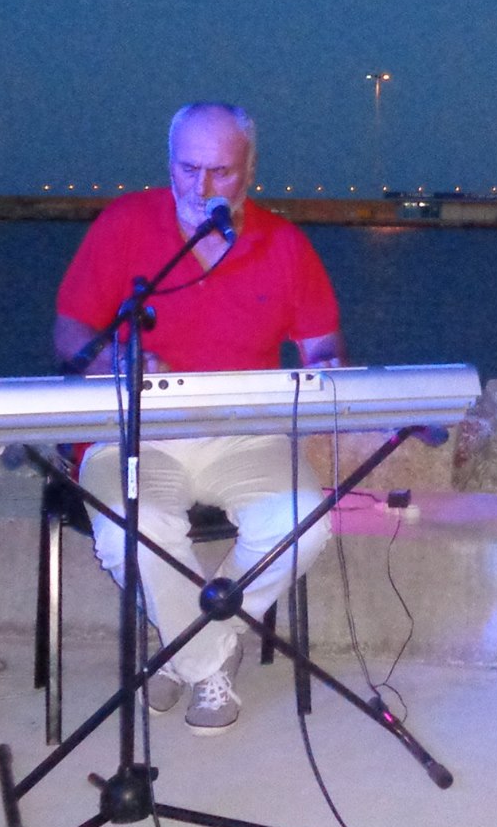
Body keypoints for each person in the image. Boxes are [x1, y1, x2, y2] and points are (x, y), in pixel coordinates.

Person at [53, 102, 345, 734]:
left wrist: (327, 371)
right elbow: (70, 331)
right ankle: (207, 662)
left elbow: (323, 350)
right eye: (188, 169)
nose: (202, 186)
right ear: (169, 164)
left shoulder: (285, 245)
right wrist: (115, 360)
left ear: (250, 170)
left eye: (221, 171)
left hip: (246, 436)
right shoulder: (126, 224)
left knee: (301, 524)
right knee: (131, 529)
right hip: (136, 434)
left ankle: (178, 650)